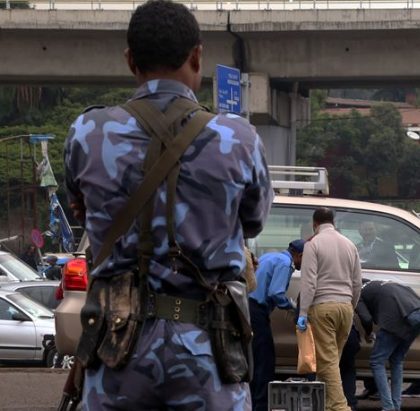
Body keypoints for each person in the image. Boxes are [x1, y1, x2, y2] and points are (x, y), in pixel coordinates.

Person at [63, 1, 273, 409]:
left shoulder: (88, 131)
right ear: (197, 56)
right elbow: (253, 221)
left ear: (130, 60)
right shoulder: (240, 139)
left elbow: (82, 212)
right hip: (208, 353)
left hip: (115, 350)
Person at [297, 207, 362, 411]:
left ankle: (341, 407)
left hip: (323, 307)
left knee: (328, 363)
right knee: (332, 360)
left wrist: (303, 312)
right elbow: (357, 282)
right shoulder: (349, 244)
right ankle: (326, 406)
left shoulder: (313, 244)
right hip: (346, 307)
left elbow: (309, 283)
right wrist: (351, 305)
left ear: (315, 223)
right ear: (332, 222)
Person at [248, 239, 305, 411]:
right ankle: (261, 405)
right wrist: (292, 307)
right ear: (300, 255)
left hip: (247, 307)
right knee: (265, 361)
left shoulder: (270, 256)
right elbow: (276, 292)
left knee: (254, 359)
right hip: (257, 310)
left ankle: (250, 402)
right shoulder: (286, 263)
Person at [356, 280, 420, 411]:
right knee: (397, 360)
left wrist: (368, 333)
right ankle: (396, 406)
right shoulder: (382, 283)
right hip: (416, 313)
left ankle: (388, 407)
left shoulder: (357, 293)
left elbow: (366, 318)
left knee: (376, 361)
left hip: (393, 319)